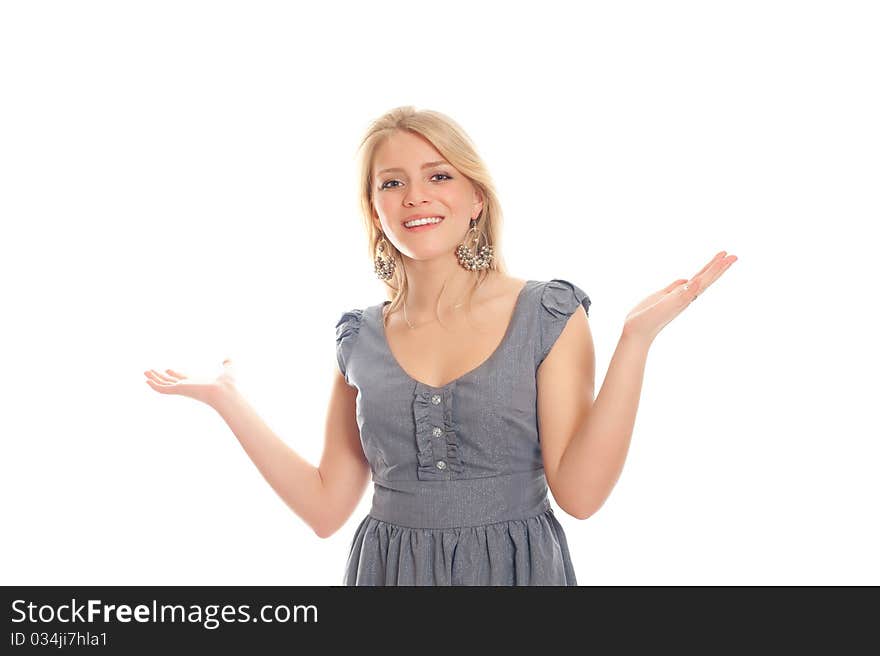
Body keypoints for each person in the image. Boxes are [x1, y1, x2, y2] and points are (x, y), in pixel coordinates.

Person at [144, 105, 736, 586]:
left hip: (515, 574)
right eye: (392, 183)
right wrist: (228, 401)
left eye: (439, 175)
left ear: (476, 198)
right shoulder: (359, 336)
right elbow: (326, 508)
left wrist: (635, 341)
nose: (415, 196)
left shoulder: (546, 313)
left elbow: (579, 495)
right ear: (376, 211)